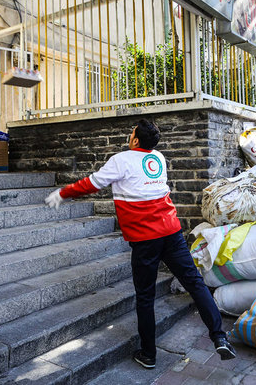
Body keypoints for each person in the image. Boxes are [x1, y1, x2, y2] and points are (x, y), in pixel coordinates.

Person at [44, 119, 236, 369]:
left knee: (145, 297)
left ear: (135, 140)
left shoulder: (121, 160)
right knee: (195, 283)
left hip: (146, 239)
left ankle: (148, 354)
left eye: (131, 133)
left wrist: (62, 193)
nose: (130, 136)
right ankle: (219, 336)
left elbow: (92, 183)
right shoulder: (158, 158)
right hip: (172, 231)